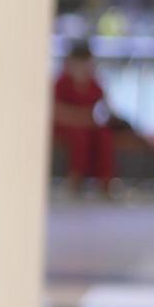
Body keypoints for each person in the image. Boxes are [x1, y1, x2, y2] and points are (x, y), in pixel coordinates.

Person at [52, 39, 118, 197]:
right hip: (66, 126)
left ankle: (105, 182)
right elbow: (55, 110)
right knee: (78, 136)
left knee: (104, 135)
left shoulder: (94, 83)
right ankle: (75, 179)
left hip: (89, 126)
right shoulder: (61, 82)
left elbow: (105, 108)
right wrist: (79, 118)